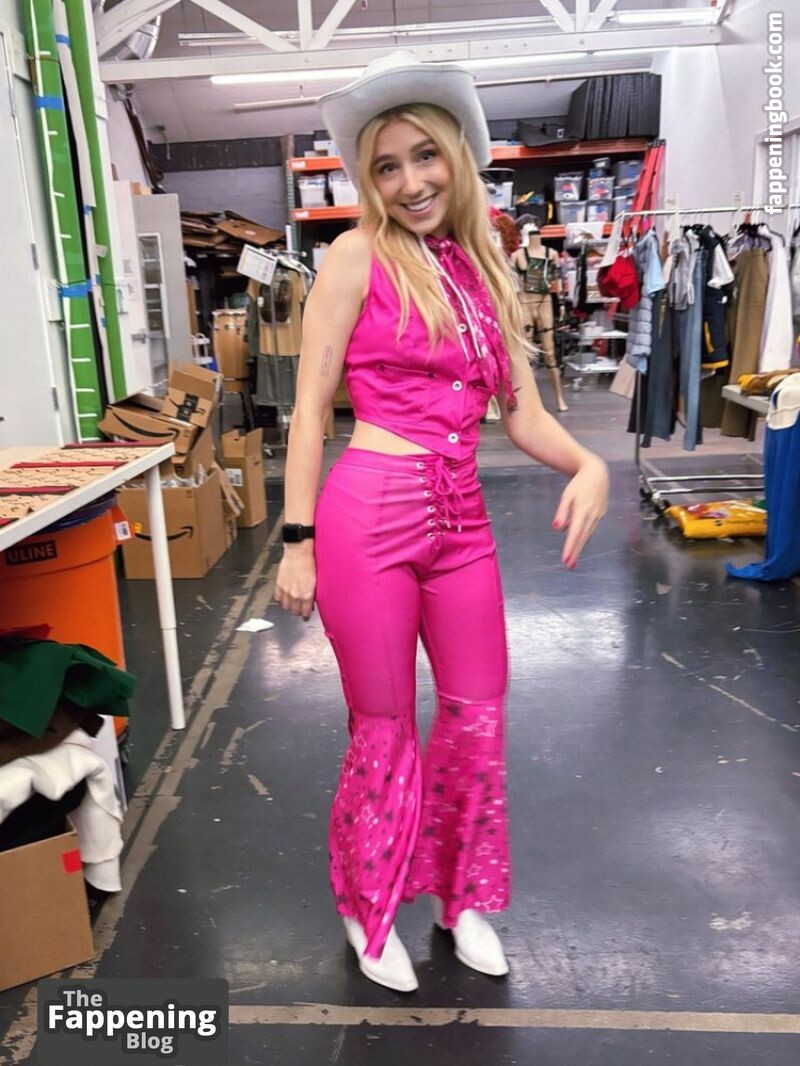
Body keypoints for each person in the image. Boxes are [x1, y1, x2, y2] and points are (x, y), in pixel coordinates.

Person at [275, 51, 609, 994]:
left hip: (462, 525)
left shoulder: (483, 267)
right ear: (368, 181)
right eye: (386, 167)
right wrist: (296, 541)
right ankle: (368, 901)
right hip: (367, 519)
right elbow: (310, 410)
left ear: (457, 157)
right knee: (383, 726)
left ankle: (462, 900)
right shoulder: (355, 256)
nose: (410, 182)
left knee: (475, 716)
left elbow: (524, 414)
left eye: (424, 157)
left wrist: (587, 462)